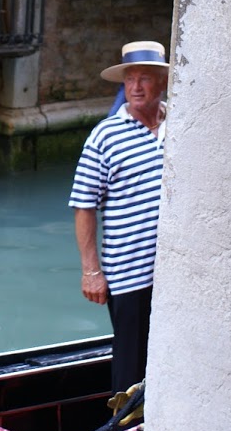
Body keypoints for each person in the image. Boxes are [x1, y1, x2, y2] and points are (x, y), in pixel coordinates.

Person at [69, 40, 168, 394]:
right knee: (131, 370)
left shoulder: (182, 128)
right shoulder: (105, 136)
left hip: (175, 274)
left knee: (171, 360)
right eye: (130, 80)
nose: (136, 88)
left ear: (163, 83)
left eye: (145, 78)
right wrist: (91, 271)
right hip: (129, 274)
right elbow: (83, 205)